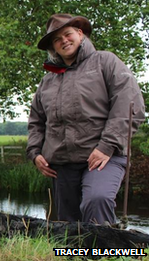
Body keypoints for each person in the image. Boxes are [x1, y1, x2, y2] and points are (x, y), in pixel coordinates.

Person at [27, 14, 145, 225]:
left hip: (104, 156)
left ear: (80, 34)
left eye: (67, 34)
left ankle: (105, 256)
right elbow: (36, 120)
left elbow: (130, 105)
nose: (63, 40)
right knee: (67, 225)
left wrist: (107, 145)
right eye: (57, 39)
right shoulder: (48, 80)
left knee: (97, 200)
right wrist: (35, 152)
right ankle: (74, 256)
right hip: (62, 162)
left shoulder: (106, 61)